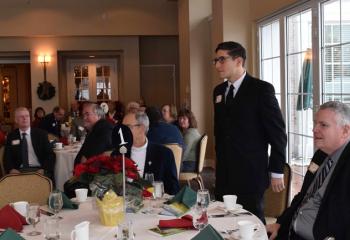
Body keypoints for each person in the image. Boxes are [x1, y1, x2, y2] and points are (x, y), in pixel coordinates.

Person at [213, 41, 287, 222]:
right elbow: (220, 131)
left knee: (251, 223)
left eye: (222, 60)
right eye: (215, 60)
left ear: (238, 61)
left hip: (250, 173)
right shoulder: (218, 91)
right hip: (224, 173)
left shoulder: (261, 90)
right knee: (223, 221)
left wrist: (277, 170)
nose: (217, 65)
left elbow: (277, 133)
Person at [266, 101, 350, 240]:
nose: (315, 129)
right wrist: (280, 223)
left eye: (323, 125)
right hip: (290, 233)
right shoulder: (320, 154)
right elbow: (303, 195)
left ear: (345, 131)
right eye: (315, 123)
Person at [123, 111, 180, 195]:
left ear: (141, 128)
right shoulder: (118, 154)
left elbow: (173, 189)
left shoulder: (163, 154)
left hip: (155, 205)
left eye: (126, 127)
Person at [3, 107, 55, 178]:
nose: (25, 118)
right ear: (16, 120)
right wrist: (11, 169)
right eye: (21, 117)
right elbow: (7, 157)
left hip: (38, 169)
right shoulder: (11, 136)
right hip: (18, 171)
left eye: (27, 116)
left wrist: (44, 169)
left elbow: (50, 155)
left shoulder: (41, 134)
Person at [178, 108, 201, 172]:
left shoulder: (189, 134)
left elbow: (184, 154)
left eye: (184, 118)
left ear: (190, 120)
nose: (181, 120)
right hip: (193, 163)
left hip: (189, 165)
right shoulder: (193, 131)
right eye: (180, 118)